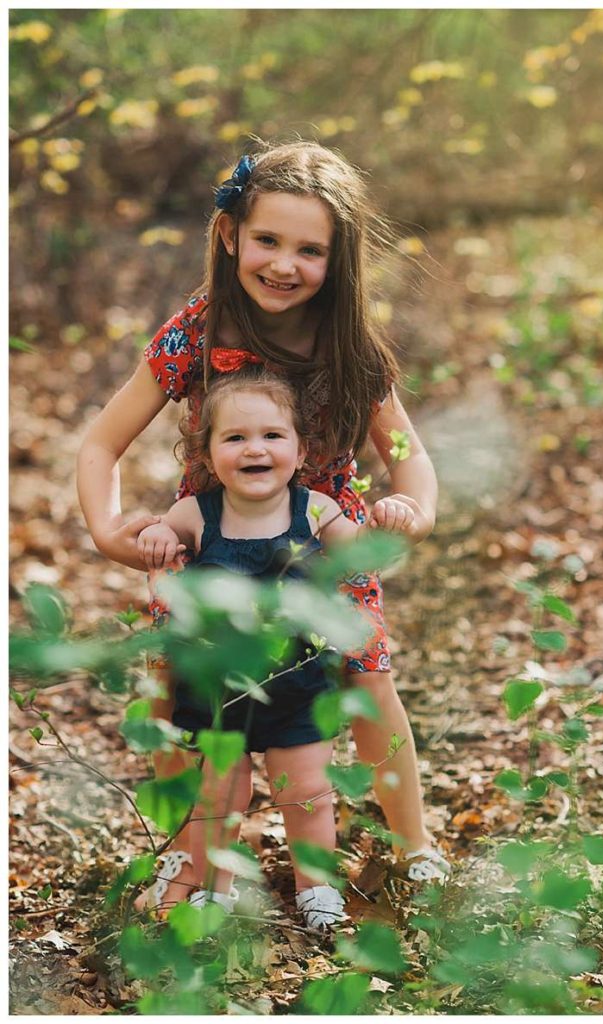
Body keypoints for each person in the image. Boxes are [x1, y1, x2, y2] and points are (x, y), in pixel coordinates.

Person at [76, 139, 450, 902]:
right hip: (211, 543)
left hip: (323, 547)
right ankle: (189, 853)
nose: (285, 263)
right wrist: (109, 527)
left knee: (369, 678)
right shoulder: (198, 333)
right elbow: (102, 441)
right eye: (269, 240)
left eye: (310, 250)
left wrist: (413, 505)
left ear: (337, 260)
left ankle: (412, 840)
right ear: (230, 235)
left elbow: (407, 454)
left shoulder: (351, 349)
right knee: (180, 689)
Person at [133, 362, 416, 929]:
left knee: (308, 791)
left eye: (271, 435)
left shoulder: (315, 509)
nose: (254, 449)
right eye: (234, 437)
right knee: (218, 792)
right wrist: (157, 535)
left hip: (299, 683)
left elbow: (360, 554)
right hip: (216, 685)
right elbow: (161, 542)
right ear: (207, 453)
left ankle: (317, 889)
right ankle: (216, 887)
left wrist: (390, 522)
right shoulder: (196, 513)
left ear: (299, 448)